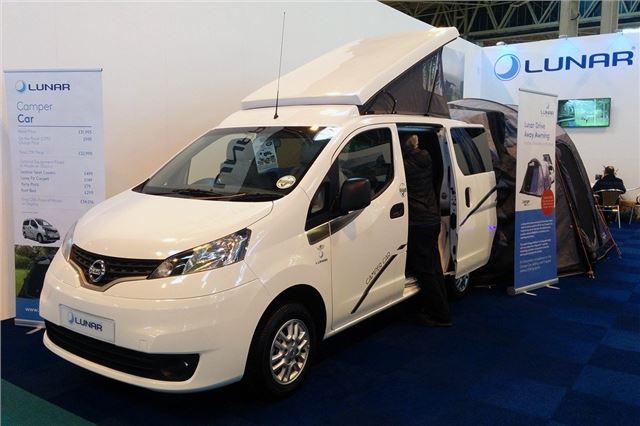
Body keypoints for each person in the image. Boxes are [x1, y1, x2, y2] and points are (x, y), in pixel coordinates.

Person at [402, 134, 452, 327]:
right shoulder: (426, 158)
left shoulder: (406, 166)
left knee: (425, 271)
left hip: (418, 222)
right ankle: (442, 308)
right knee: (434, 266)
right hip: (431, 219)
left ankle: (440, 315)